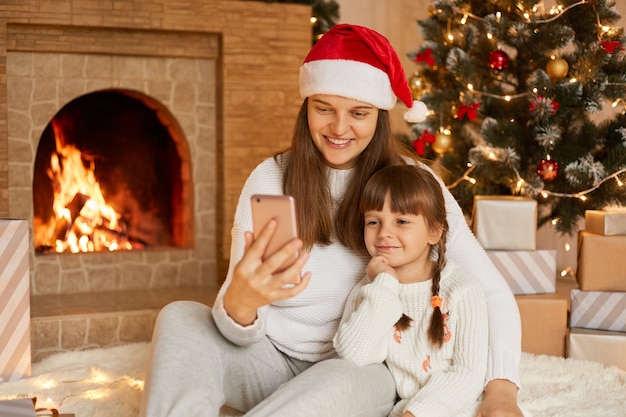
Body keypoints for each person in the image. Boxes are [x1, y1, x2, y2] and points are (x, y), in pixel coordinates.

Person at [140, 23, 524, 417]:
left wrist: (501, 390)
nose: (339, 129)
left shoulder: (411, 185)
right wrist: (241, 300)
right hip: (268, 360)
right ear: (306, 105)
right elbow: (235, 326)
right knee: (179, 318)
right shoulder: (270, 180)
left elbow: (489, 289)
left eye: (358, 113)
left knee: (334, 379)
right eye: (323, 109)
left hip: (358, 370)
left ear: (379, 115)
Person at [334, 164, 489, 417]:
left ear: (434, 231)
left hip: (455, 408)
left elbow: (467, 374)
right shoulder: (370, 290)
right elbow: (355, 357)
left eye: (402, 221)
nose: (384, 233)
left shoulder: (463, 290)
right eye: (373, 221)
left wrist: (417, 413)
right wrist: (384, 285)